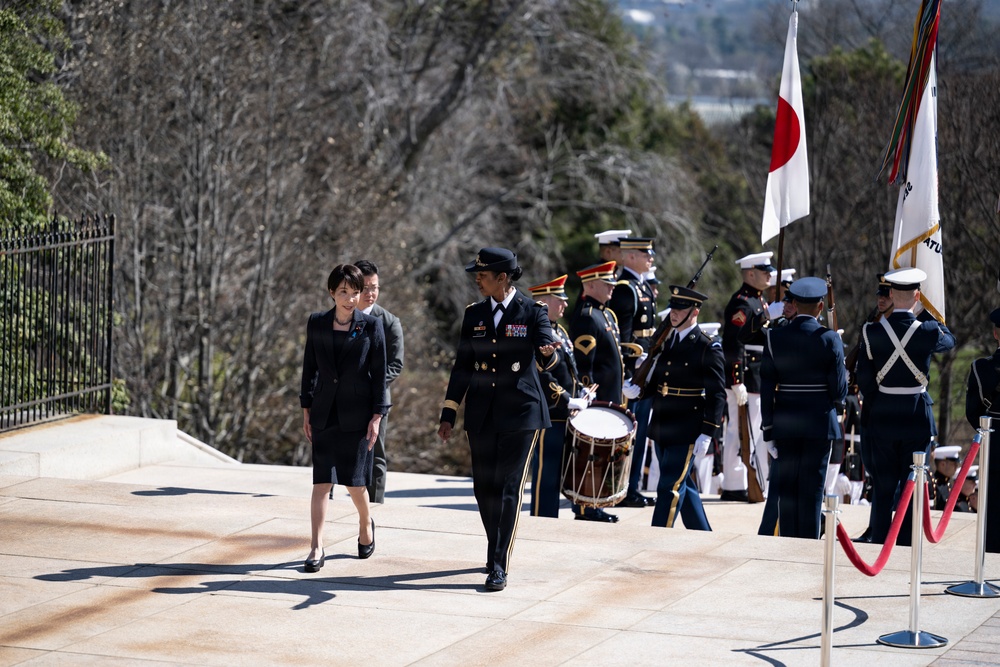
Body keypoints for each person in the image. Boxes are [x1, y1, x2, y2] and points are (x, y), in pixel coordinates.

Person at [437, 247, 555, 591]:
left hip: (522, 412)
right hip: (482, 412)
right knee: (483, 488)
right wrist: (449, 412)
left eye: (483, 275)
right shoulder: (474, 314)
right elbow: (462, 366)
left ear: (503, 277)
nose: (477, 280)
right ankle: (495, 546)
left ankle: (499, 563)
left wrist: (548, 352)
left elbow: (546, 352)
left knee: (507, 489)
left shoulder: (533, 311)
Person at [856, 267, 956, 546]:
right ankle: (905, 542)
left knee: (884, 485)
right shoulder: (927, 330)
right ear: (917, 296)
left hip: (883, 415)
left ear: (890, 294)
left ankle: (878, 539)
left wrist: (881, 402)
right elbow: (950, 340)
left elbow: (864, 377)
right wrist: (926, 312)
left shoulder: (871, 331)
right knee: (911, 485)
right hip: (915, 416)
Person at [299, 264, 389, 572]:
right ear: (331, 293)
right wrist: (306, 409)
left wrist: (377, 415)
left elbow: (379, 375)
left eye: (355, 293)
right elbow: (309, 369)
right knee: (321, 482)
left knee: (355, 484)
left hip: (358, 415)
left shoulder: (372, 326)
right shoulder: (317, 323)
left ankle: (366, 523)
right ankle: (316, 546)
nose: (350, 299)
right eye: (343, 293)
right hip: (324, 413)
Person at [760, 277, 848, 539]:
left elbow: (767, 388)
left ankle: (788, 546)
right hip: (819, 424)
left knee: (787, 492)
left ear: (795, 304)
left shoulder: (774, 337)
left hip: (785, 424)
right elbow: (839, 392)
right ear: (821, 307)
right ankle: (808, 547)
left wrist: (768, 429)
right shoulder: (830, 339)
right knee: (812, 491)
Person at [645, 286, 725, 530]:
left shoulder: (706, 346)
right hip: (662, 422)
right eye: (673, 308)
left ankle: (658, 536)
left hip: (688, 427)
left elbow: (717, 393)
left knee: (669, 486)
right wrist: (639, 390)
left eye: (681, 309)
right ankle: (702, 534)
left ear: (695, 312)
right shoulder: (669, 341)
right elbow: (660, 380)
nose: (674, 313)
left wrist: (708, 432)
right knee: (683, 485)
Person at [568, 260, 627, 522]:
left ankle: (595, 502)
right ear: (590, 284)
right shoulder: (587, 316)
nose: (612, 288)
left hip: (609, 397)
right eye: (606, 284)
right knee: (591, 455)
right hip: (596, 398)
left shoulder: (605, 314)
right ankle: (585, 506)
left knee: (602, 455)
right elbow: (584, 364)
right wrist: (586, 394)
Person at [527, 275, 588, 519]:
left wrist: (580, 390)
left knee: (560, 471)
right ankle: (543, 519)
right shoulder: (534, 330)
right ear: (543, 302)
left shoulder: (558, 330)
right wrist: (564, 398)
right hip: (548, 412)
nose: (564, 304)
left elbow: (570, 368)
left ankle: (551, 517)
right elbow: (538, 373)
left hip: (565, 413)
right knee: (546, 472)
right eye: (558, 300)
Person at [720, 251, 775, 503]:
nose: (769, 275)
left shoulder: (758, 301)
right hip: (746, 375)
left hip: (756, 374)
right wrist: (736, 379)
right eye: (765, 271)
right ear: (750, 273)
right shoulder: (742, 302)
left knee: (750, 430)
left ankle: (743, 481)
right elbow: (733, 343)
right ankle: (733, 484)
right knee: (738, 430)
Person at [609, 237, 658, 508]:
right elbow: (623, 337)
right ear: (630, 257)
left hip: (645, 370)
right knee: (628, 434)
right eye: (645, 253)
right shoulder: (626, 289)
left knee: (638, 434)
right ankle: (622, 487)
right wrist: (627, 374)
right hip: (633, 374)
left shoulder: (642, 286)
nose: (650, 257)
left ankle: (633, 486)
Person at [847, 273, 895, 543]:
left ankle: (884, 528)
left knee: (888, 474)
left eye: (886, 295)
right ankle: (876, 526)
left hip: (885, 405)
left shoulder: (895, 327)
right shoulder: (873, 322)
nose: (880, 298)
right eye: (879, 294)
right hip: (870, 405)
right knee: (874, 470)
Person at [354, 260, 405, 504]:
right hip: (340, 396)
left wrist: (367, 384)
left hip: (376, 401)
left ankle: (375, 506)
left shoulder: (389, 322)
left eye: (375, 287)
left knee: (375, 455)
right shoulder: (339, 317)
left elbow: (395, 365)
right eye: (365, 288)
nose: (370, 293)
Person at [965, 306, 1000, 550]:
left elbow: (972, 413)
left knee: (993, 508)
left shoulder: (981, 368)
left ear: (996, 333)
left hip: (994, 442)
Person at [930, 445, 961, 511]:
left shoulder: (947, 484)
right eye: (954, 464)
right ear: (942, 464)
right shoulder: (934, 485)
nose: (956, 467)